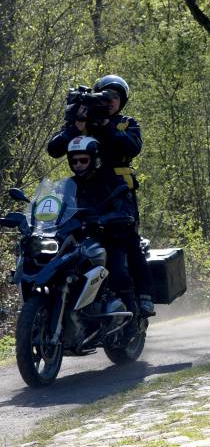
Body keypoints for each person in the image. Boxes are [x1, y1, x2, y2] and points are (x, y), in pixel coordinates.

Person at [47, 75, 155, 317]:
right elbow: (54, 149)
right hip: (82, 194)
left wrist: (105, 123)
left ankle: (144, 296)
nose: (110, 101)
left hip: (118, 194)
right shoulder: (85, 123)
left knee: (127, 242)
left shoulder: (126, 123)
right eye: (106, 96)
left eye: (115, 97)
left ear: (122, 101)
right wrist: (77, 124)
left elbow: (131, 148)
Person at [66, 136, 137, 316]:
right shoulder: (68, 185)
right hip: (78, 239)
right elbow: (55, 207)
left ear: (95, 159)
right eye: (74, 161)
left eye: (83, 160)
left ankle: (131, 315)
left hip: (109, 237)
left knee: (117, 271)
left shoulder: (112, 180)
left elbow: (126, 209)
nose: (78, 165)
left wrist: (105, 218)